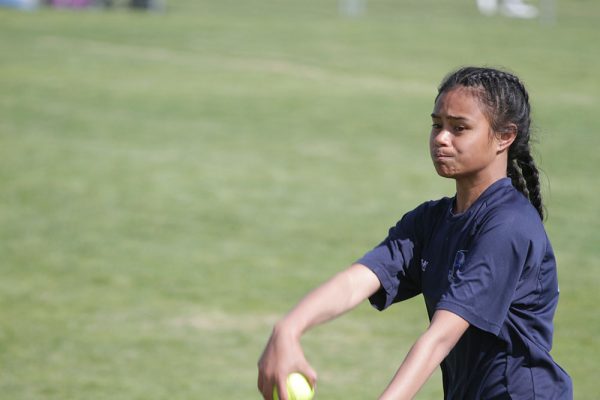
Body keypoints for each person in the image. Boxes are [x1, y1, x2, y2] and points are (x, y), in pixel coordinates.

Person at [257, 66, 573, 399]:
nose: (441, 138)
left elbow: (440, 337)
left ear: (505, 137)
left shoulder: (508, 226)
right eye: (437, 125)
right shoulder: (431, 220)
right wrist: (288, 329)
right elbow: (355, 282)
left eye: (459, 128)